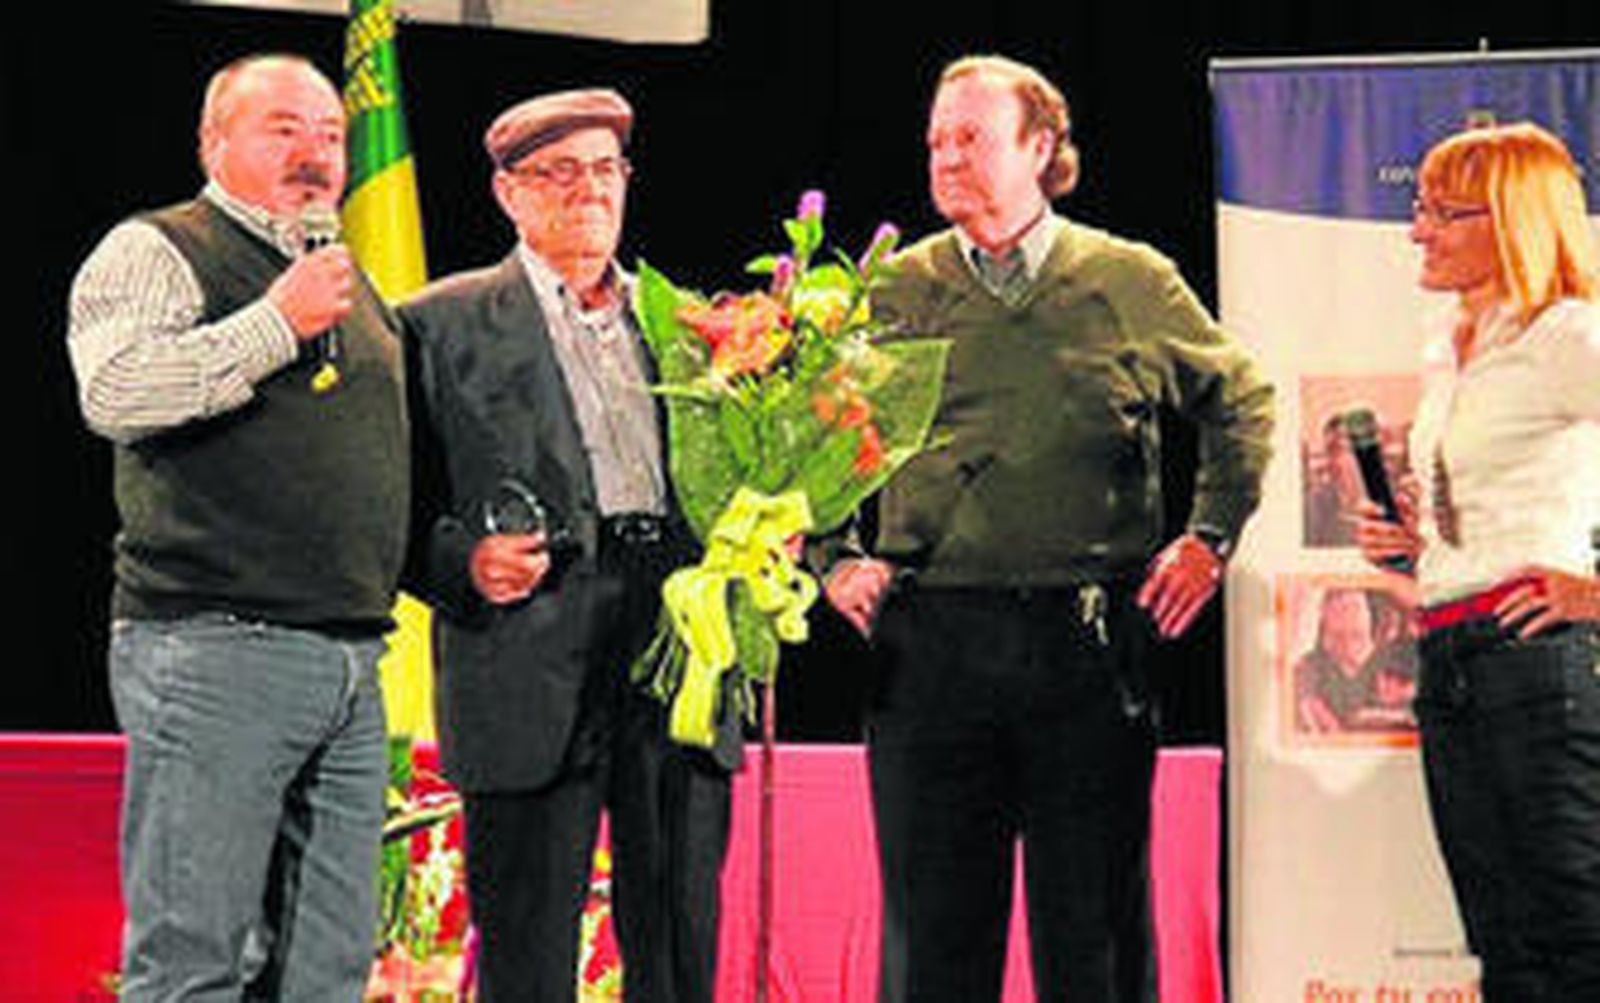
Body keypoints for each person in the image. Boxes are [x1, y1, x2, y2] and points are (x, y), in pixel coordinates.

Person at [823, 54, 1274, 1003]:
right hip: (930, 645)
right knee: (933, 942)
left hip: (1088, 644)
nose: (947, 156)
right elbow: (808, 432)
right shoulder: (891, 291)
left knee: (1095, 936)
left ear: (1041, 148)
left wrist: (1211, 535)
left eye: (971, 138)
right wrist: (833, 555)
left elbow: (1242, 400)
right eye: (938, 139)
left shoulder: (1127, 279)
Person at [65, 54, 408, 1000]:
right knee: (194, 959)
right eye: (284, 129)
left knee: (327, 968)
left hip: (349, 663)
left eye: (332, 135)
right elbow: (118, 390)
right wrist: (273, 325)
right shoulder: (160, 247)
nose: (315, 153)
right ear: (215, 142)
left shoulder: (346, 282)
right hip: (214, 648)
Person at [401, 89, 738, 1003]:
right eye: (558, 172)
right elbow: (387, 504)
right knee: (528, 945)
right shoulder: (439, 323)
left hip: (674, 641)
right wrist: (460, 563)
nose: (587, 190)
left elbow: (745, 472)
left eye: (604, 169)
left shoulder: (690, 323)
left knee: (677, 934)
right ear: (508, 192)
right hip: (526, 646)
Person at [1355, 121, 1600, 1001]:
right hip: (1452, 655)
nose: (1417, 229)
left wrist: (1595, 590)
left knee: (1576, 936)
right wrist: (1417, 546)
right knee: (1503, 937)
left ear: (1509, 220)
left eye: (1438, 211)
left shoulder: (1570, 335)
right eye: (1417, 207)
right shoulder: (1456, 344)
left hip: (1537, 661)